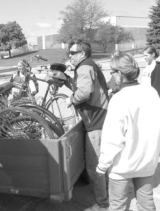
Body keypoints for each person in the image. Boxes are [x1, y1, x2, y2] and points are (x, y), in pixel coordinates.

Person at [97, 50, 160, 211]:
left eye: (112, 73)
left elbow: (113, 138)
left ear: (119, 73)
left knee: (118, 205)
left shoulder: (119, 99)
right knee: (146, 203)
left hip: (122, 166)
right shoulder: (151, 92)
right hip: (147, 161)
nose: (111, 76)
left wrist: (102, 165)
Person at [65, 41, 109, 211]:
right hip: (99, 118)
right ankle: (104, 194)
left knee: (94, 164)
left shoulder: (84, 67)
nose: (70, 55)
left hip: (96, 121)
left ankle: (103, 202)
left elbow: (83, 92)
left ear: (82, 53)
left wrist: (70, 99)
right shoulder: (88, 65)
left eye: (72, 52)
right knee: (100, 160)